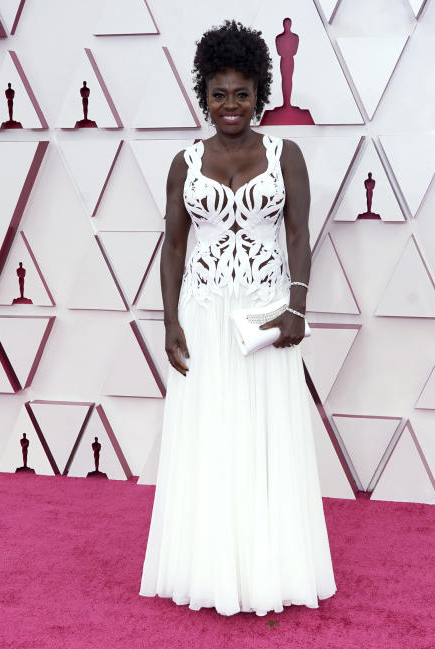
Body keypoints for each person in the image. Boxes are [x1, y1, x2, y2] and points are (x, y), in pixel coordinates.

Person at [139, 20, 335, 617]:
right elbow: (173, 246)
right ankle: (210, 570)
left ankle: (269, 570)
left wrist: (297, 306)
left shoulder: (285, 155)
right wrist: (170, 320)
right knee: (211, 439)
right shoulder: (184, 162)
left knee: (266, 440)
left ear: (260, 94)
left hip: (266, 314)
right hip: (203, 313)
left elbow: (299, 234)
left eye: (242, 93)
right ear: (205, 94)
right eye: (220, 93)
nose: (231, 105)